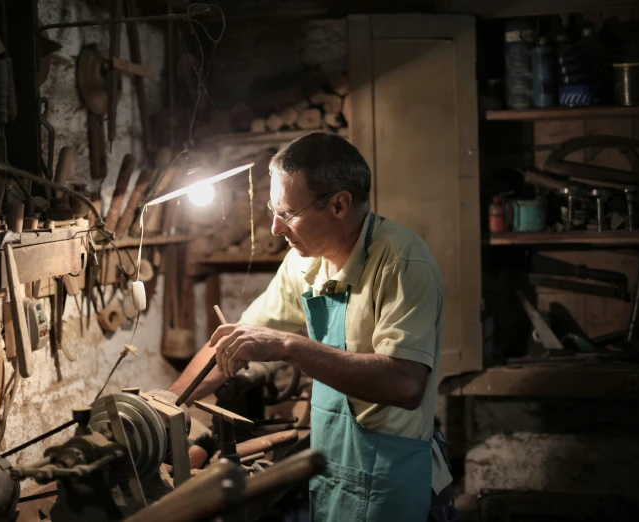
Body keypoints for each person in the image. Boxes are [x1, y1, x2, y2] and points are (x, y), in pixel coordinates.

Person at [168, 132, 459, 522]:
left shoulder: (401, 262)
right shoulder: (303, 263)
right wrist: (167, 403)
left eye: (286, 213)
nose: (274, 228)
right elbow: (234, 341)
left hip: (390, 475)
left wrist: (290, 347)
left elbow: (405, 384)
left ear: (339, 204)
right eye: (272, 209)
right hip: (331, 466)